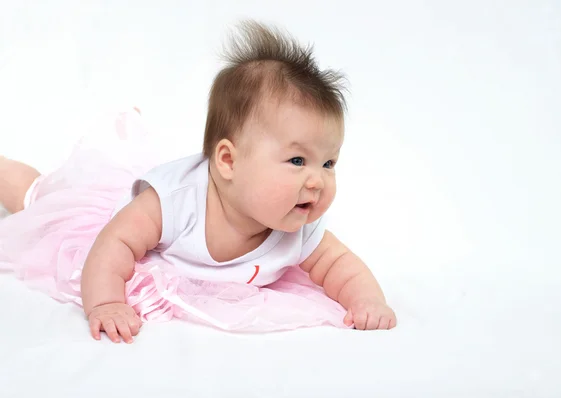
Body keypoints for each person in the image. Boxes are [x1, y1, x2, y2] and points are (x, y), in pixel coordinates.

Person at [0, 21, 396, 343]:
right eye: (297, 160)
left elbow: (341, 264)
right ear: (228, 161)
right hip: (105, 221)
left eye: (328, 162)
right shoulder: (174, 202)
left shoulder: (300, 225)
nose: (318, 181)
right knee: (40, 197)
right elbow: (113, 242)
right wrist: (104, 303)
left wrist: (368, 301)